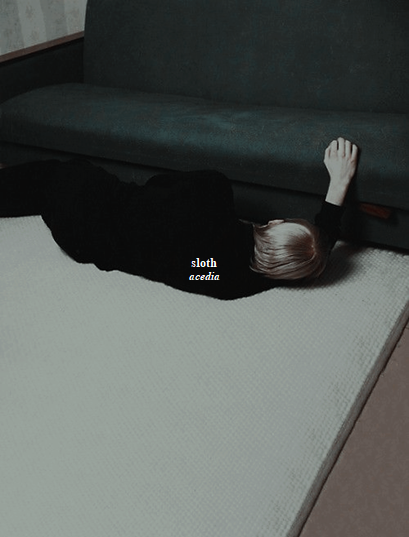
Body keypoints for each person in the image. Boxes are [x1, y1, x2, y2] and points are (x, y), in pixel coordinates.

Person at [0, 137, 358, 300]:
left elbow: (158, 184)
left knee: (56, 174)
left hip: (90, 207)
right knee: (47, 188)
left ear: (275, 223)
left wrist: (338, 181)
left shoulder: (212, 194)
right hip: (87, 243)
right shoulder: (228, 280)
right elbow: (315, 254)